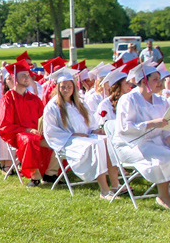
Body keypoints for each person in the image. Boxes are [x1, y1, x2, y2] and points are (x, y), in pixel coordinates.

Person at [113, 64, 170, 215]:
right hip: (131, 144)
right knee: (168, 156)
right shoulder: (129, 100)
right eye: (155, 80)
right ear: (143, 81)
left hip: (156, 142)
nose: (160, 83)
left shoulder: (162, 101)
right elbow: (124, 129)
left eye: (159, 79)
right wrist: (151, 124)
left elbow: (169, 128)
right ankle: (169, 199)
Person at [41, 70, 120, 198]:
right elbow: (51, 131)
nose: (66, 89)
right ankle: (104, 190)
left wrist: (95, 130)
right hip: (67, 141)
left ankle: (116, 185)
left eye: (69, 86)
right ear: (58, 88)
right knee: (96, 145)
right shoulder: (53, 106)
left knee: (107, 141)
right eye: (63, 87)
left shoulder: (80, 103)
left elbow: (91, 123)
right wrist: (74, 135)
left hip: (86, 137)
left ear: (74, 88)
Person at [0, 59, 55, 184]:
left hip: (37, 133)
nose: (27, 78)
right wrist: (27, 130)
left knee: (58, 139)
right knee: (29, 140)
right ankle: (35, 176)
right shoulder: (8, 99)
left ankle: (51, 173)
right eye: (23, 75)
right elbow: (5, 126)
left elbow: (44, 117)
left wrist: (44, 129)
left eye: (28, 75)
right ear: (15, 78)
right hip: (18, 135)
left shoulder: (34, 99)